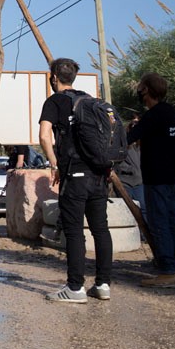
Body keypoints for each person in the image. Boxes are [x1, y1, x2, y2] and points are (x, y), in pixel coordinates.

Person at [38, 58, 113, 303]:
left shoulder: (54, 101)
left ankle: (75, 288)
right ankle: (103, 284)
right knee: (100, 228)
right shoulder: (90, 100)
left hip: (74, 174)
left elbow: (44, 135)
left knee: (73, 231)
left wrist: (54, 163)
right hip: (98, 173)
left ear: (54, 77)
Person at [129, 72, 175, 288]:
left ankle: (168, 270)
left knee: (160, 223)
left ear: (146, 90)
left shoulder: (153, 115)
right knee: (171, 221)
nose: (139, 91)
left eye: (141, 87)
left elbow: (129, 138)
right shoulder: (171, 113)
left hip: (157, 178)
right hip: (173, 177)